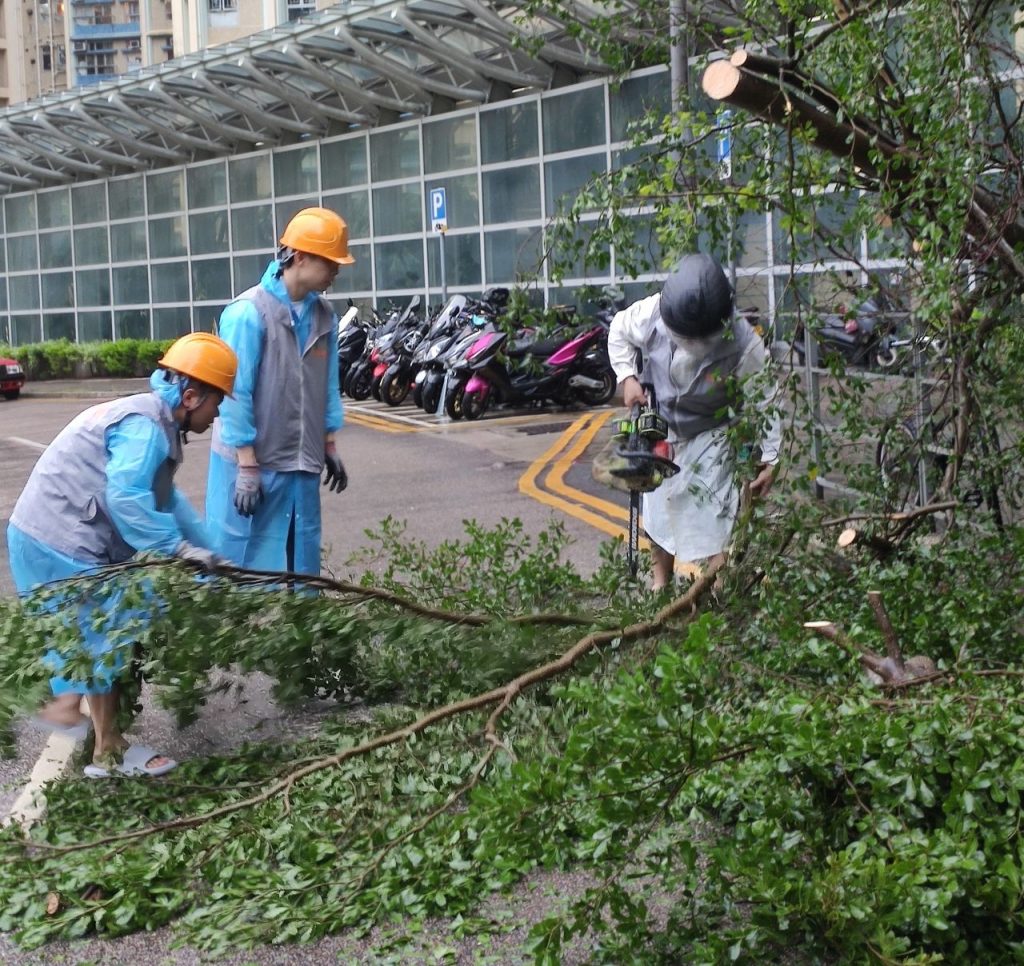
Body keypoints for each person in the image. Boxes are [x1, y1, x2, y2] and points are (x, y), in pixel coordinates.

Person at [7, 333, 238, 777]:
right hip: (63, 541)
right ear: (191, 396)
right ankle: (88, 729)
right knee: (112, 626)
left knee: (90, 636)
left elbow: (167, 502)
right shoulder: (145, 427)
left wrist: (209, 554)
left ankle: (95, 736)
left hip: (39, 534)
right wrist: (176, 549)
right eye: (217, 402)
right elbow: (129, 499)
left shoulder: (152, 419)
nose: (218, 414)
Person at [607, 253, 782, 590]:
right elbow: (618, 330)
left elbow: (766, 397)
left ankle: (717, 589)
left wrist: (771, 458)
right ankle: (660, 584)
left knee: (715, 517)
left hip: (712, 433)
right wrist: (627, 377)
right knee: (659, 511)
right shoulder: (652, 312)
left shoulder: (744, 342)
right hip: (663, 426)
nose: (692, 345)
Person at [206, 207, 352, 576]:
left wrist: (328, 444)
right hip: (255, 467)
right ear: (300, 257)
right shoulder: (248, 313)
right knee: (244, 568)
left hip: (301, 466)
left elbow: (326, 386)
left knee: (300, 569)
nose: (336, 271)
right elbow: (234, 393)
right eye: (330, 262)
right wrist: (247, 464)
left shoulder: (324, 316)